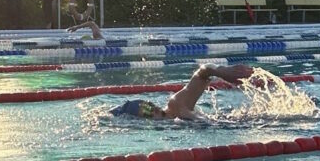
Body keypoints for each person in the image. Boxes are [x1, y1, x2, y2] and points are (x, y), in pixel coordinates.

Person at [110, 64, 256, 121]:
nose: (151, 107)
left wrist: (220, 71)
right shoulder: (171, 122)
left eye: (148, 104)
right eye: (146, 110)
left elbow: (202, 72)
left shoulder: (175, 105)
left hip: (245, 122)